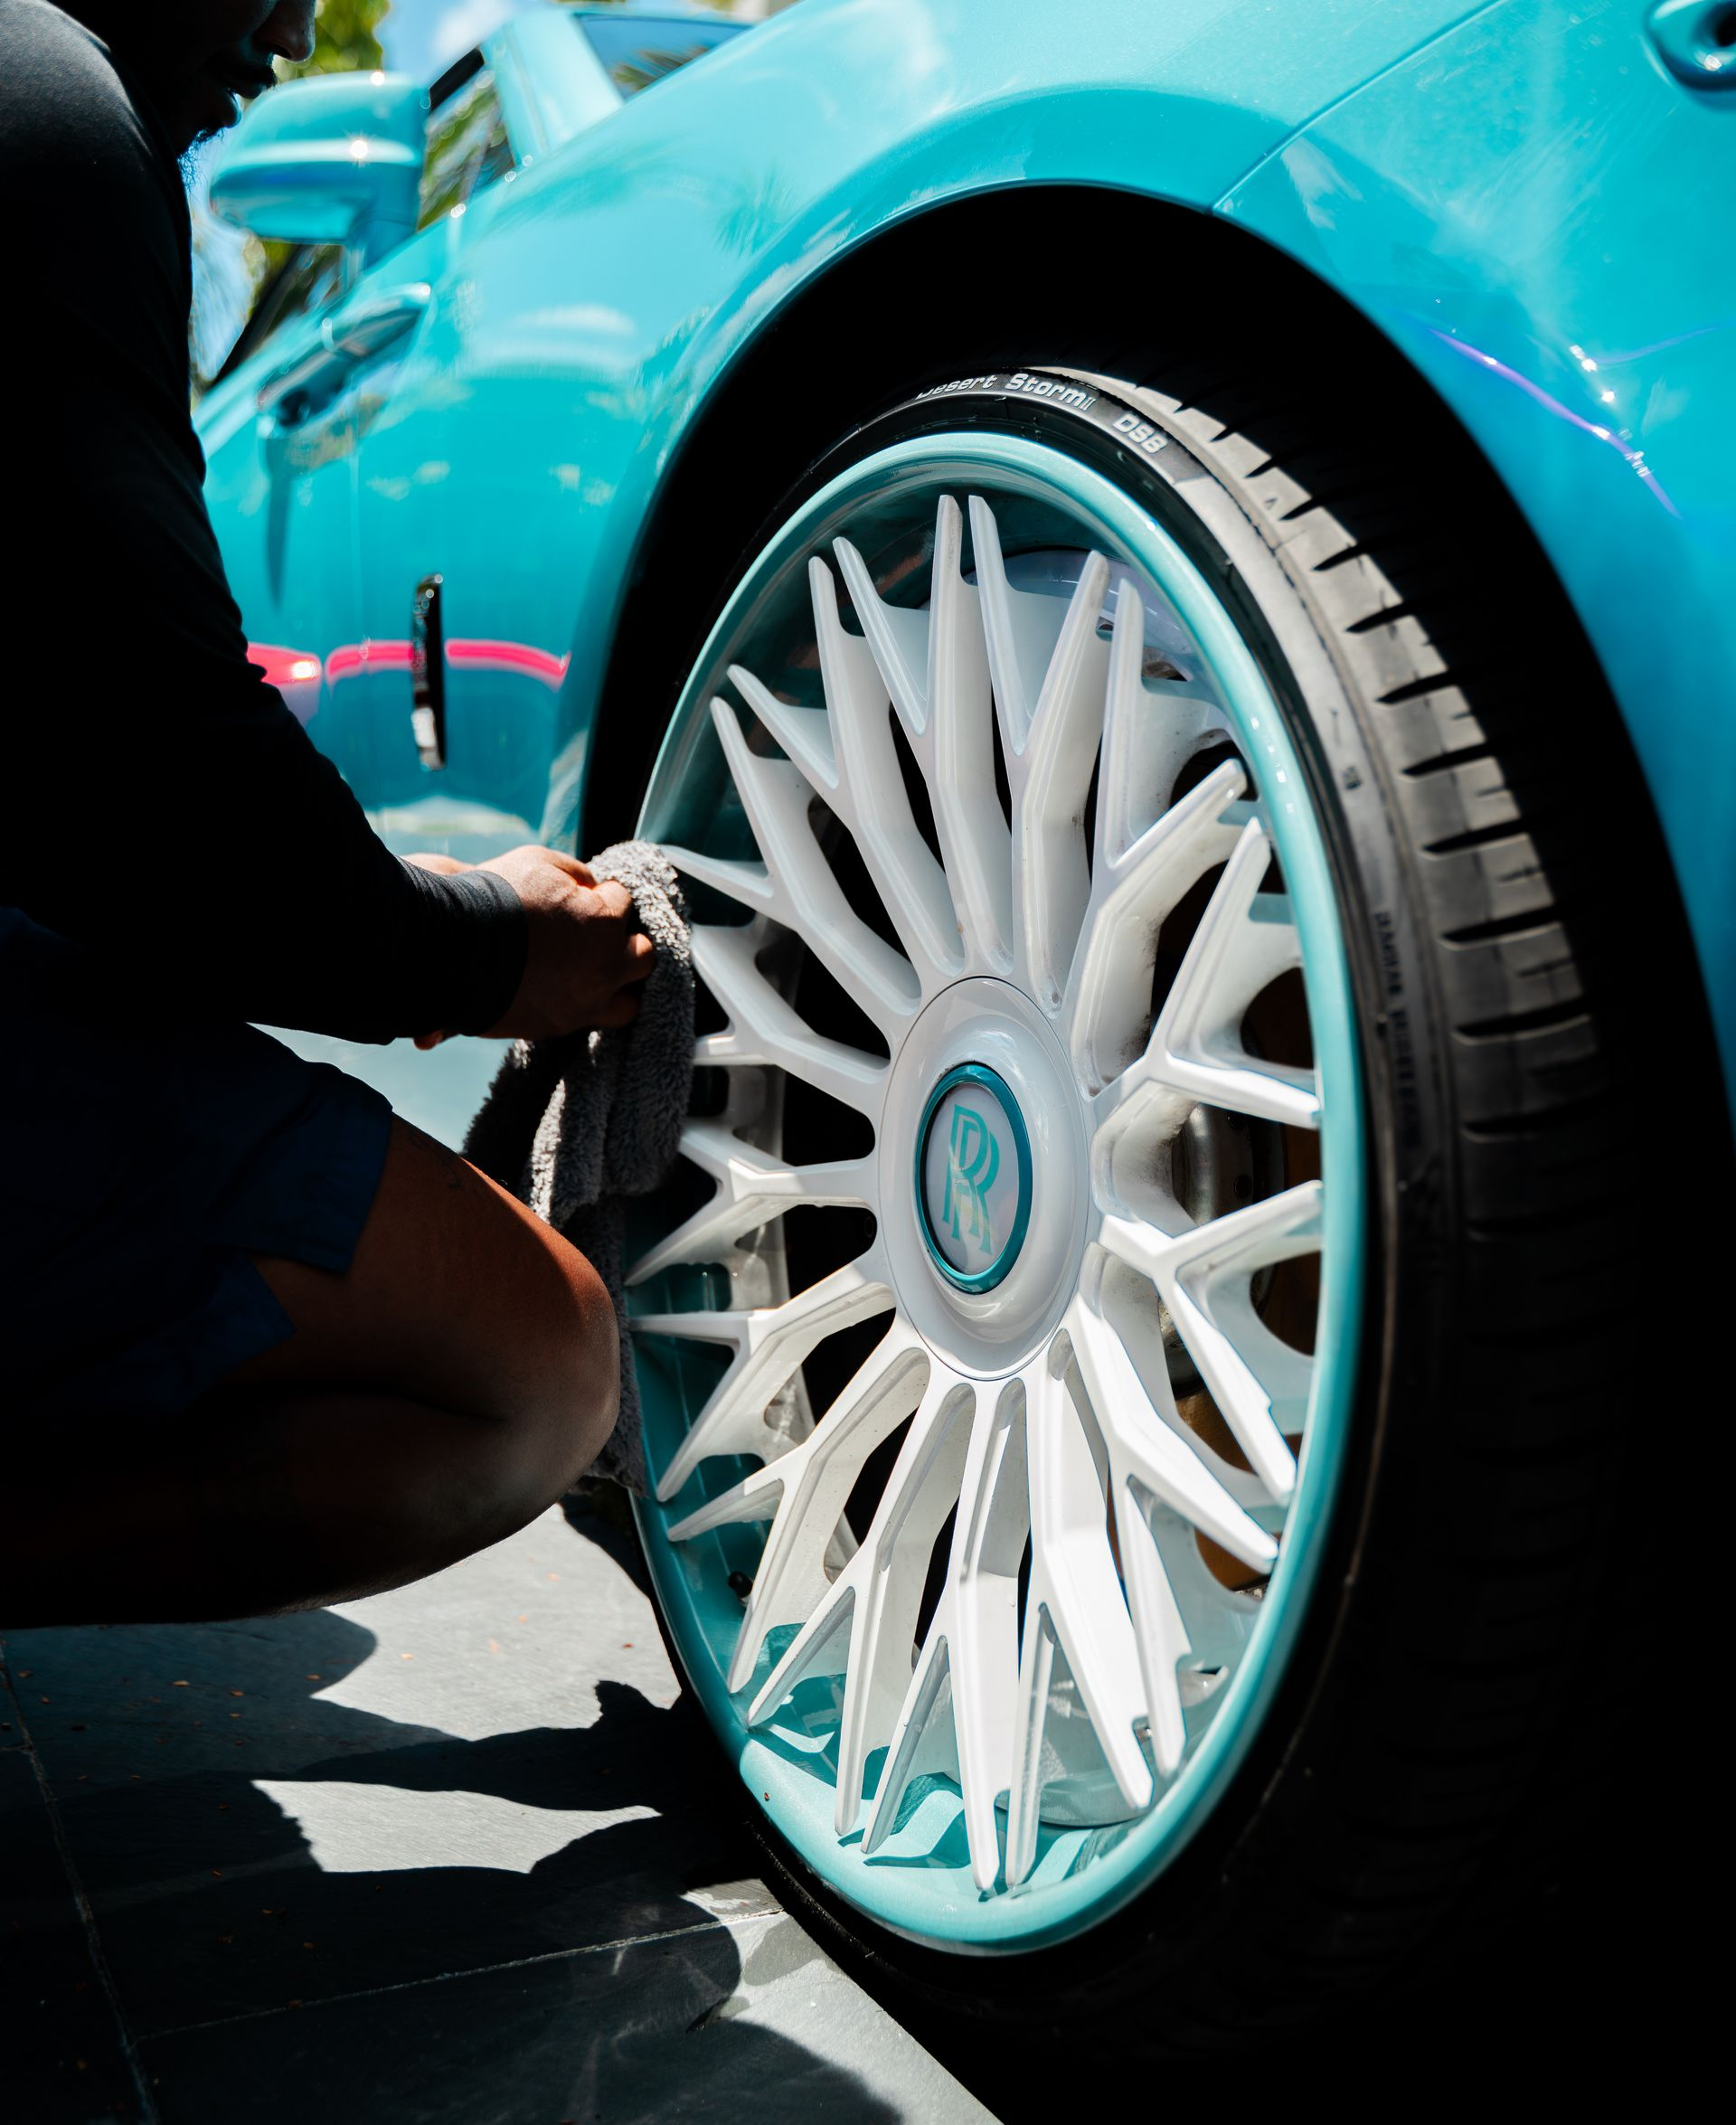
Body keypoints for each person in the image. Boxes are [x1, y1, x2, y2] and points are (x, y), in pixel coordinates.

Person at [0, 1, 652, 1627]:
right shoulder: (42, 100)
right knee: (541, 1372)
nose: (298, 30)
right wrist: (477, 949)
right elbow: (150, 779)